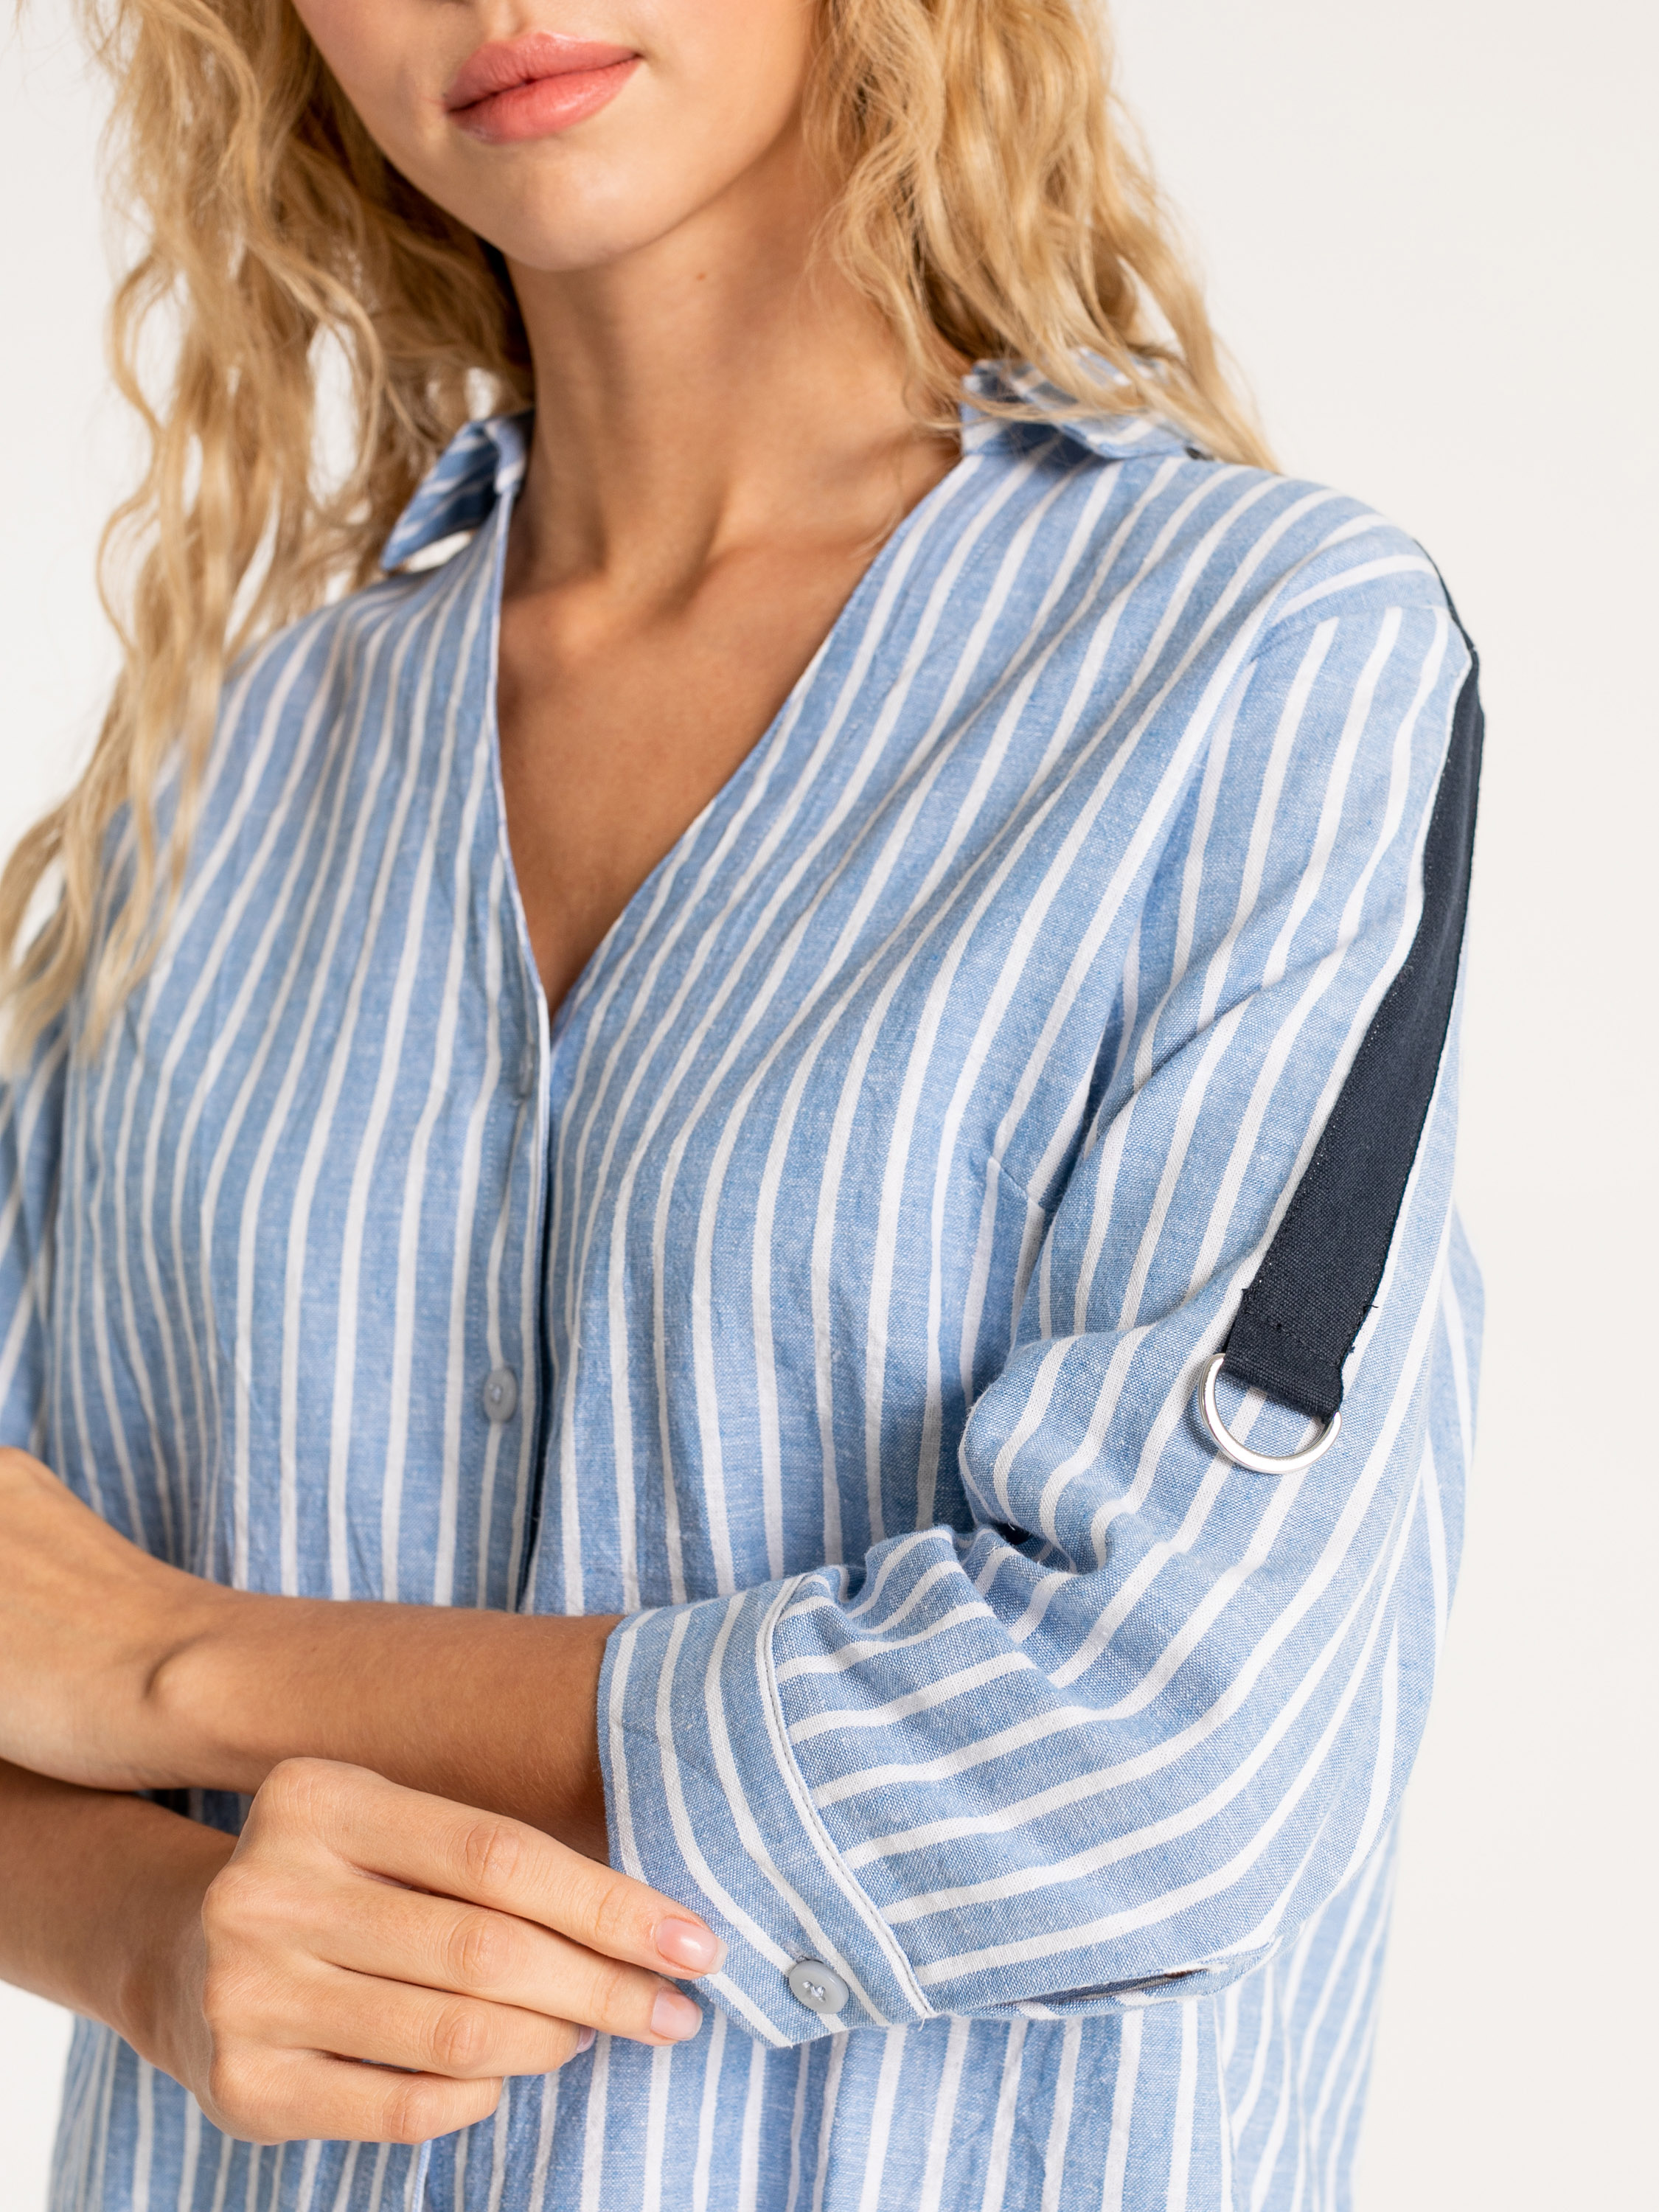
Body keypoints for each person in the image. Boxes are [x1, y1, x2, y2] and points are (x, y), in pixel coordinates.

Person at [0, 0, 1484, 2203]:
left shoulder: (1253, 670)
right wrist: (144, 1938)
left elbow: (1159, 1748)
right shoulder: (215, 786)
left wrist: (182, 1668)